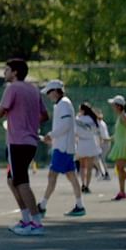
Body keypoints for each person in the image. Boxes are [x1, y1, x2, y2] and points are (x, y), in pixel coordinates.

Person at [0, 60, 48, 235]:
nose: (4, 73)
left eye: (7, 70)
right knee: (12, 180)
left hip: (18, 142)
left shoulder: (13, 88)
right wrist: (28, 122)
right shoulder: (33, 89)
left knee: (21, 181)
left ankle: (36, 223)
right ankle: (26, 220)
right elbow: (44, 116)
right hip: (29, 142)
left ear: (15, 72)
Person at [40, 83, 86, 218]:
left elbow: (65, 126)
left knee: (52, 176)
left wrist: (51, 135)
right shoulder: (61, 104)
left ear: (55, 91)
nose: (48, 96)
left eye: (49, 92)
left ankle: (42, 206)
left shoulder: (64, 104)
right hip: (64, 147)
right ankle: (80, 205)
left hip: (63, 149)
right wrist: (52, 138)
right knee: (71, 176)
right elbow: (64, 127)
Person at [76, 101, 106, 201]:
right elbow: (97, 131)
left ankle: (83, 184)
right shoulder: (93, 119)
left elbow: (75, 132)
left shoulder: (78, 119)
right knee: (89, 167)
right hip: (91, 143)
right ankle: (87, 185)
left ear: (83, 110)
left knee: (82, 166)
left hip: (81, 143)